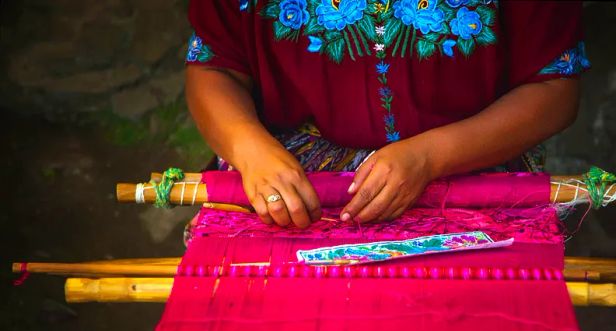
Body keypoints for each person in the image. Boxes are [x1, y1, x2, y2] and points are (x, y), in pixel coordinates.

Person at [185, 0, 589, 228]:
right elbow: (216, 68)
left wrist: (431, 156)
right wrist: (252, 151)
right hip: (300, 182)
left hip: (470, 177)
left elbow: (553, 88)